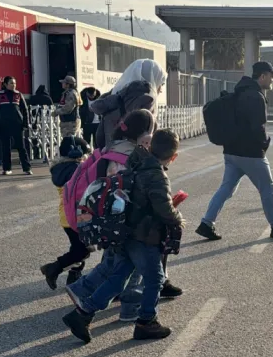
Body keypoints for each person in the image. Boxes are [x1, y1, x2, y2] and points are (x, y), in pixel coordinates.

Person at [63, 128, 184, 342]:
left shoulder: (136, 162)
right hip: (144, 235)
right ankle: (146, 322)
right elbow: (163, 209)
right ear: (173, 157)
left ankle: (82, 314)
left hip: (124, 230)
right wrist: (177, 217)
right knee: (155, 279)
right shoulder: (156, 174)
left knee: (119, 277)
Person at [196, 61, 273, 241]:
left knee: (226, 188)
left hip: (231, 151)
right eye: (271, 75)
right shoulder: (255, 96)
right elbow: (257, 127)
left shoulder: (239, 92)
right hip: (250, 153)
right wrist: (265, 143)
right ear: (263, 76)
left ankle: (206, 223)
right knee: (268, 188)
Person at [41, 135, 94, 290]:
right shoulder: (77, 170)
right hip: (77, 216)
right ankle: (53, 268)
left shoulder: (59, 168)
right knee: (81, 250)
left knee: (79, 247)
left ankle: (74, 275)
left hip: (65, 216)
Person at [90, 58, 165, 149]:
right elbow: (147, 135)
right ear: (153, 77)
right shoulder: (148, 99)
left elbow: (100, 134)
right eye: (161, 83)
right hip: (132, 154)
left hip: (110, 151)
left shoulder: (116, 94)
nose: (161, 89)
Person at [0, 76, 32, 176]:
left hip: (17, 125)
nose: (14, 85)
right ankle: (7, 168)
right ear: (5, 84)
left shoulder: (18, 94)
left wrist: (25, 123)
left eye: (15, 83)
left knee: (21, 147)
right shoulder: (0, 95)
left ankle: (27, 168)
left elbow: (25, 110)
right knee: (5, 147)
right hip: (3, 125)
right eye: (11, 83)